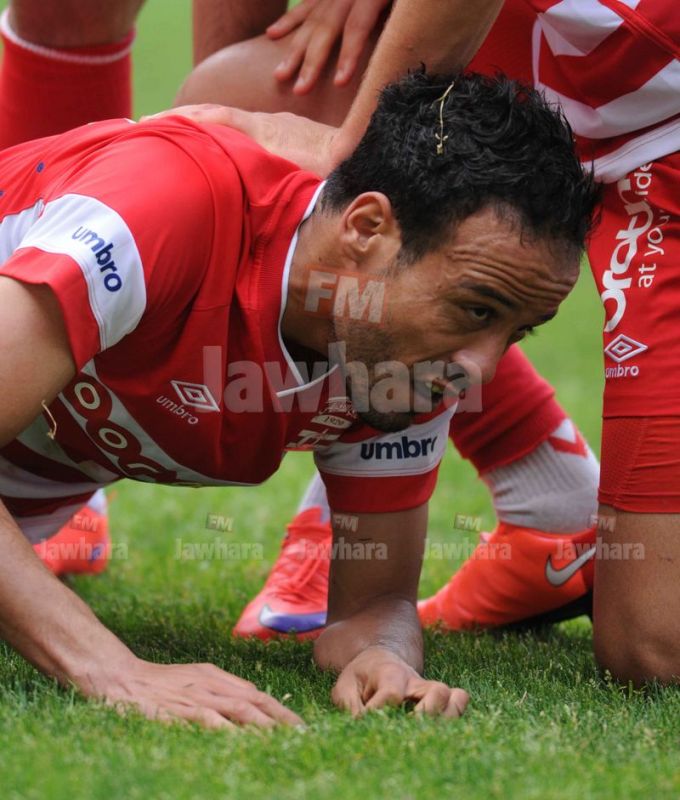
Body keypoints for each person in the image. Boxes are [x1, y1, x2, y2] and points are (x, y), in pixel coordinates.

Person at [0, 69, 597, 726]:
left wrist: (380, 657)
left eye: (516, 331)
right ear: (366, 228)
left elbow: (374, 604)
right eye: (477, 308)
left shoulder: (398, 363)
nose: (482, 370)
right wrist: (111, 668)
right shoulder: (166, 206)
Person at [175, 0, 680, 686]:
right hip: (558, 48)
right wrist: (220, 176)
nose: (480, 372)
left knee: (654, 649)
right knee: (239, 93)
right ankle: (540, 493)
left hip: (663, 109)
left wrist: (350, 151)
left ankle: (373, 507)